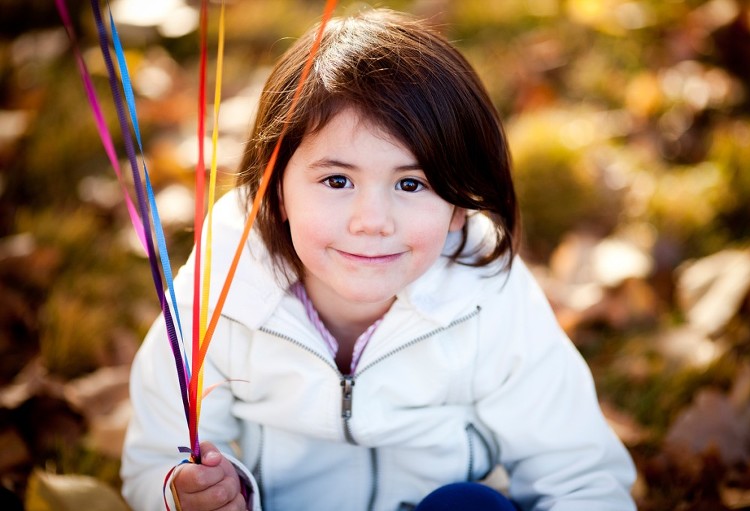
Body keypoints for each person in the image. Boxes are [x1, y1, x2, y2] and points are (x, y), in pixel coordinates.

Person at [120, 8, 637, 511]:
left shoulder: (489, 299)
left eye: (410, 184)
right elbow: (156, 458)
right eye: (337, 180)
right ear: (275, 191)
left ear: (459, 206)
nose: (372, 221)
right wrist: (188, 494)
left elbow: (577, 471)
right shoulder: (218, 297)